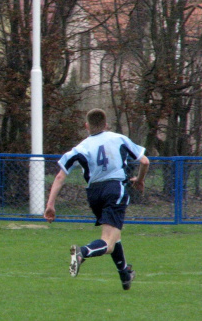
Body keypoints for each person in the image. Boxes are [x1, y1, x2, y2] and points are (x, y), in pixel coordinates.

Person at [44, 108, 149, 290]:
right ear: (106, 124)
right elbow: (145, 161)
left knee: (114, 235)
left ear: (87, 126)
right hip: (115, 189)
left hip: (93, 193)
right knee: (107, 242)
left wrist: (50, 204)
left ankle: (125, 274)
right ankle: (82, 252)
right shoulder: (118, 139)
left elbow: (60, 176)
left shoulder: (81, 147)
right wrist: (139, 180)